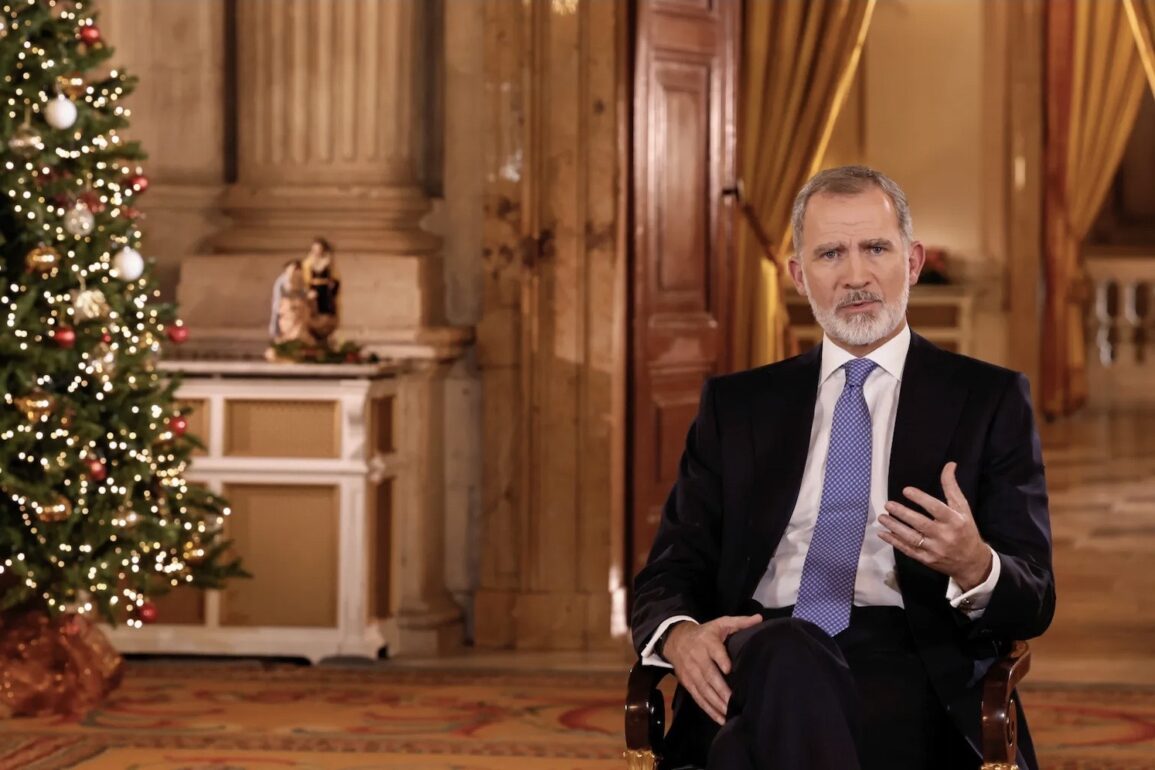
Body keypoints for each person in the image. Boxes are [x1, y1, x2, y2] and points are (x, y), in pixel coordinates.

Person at [630, 165, 1054, 770]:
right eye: (831, 254)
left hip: (912, 663)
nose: (856, 276)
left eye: (875, 248)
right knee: (786, 653)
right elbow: (669, 571)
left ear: (912, 261)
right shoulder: (739, 407)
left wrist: (974, 563)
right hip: (754, 648)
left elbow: (1035, 598)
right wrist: (680, 635)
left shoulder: (988, 400)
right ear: (800, 276)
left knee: (744, 749)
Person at [267, 259, 314, 346]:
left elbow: (301, 291)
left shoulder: (298, 279)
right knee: (285, 328)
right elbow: (289, 292)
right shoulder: (283, 279)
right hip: (286, 308)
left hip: (296, 309)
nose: (295, 270)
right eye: (293, 268)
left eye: (297, 268)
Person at [302, 237, 341, 342]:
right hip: (313, 291)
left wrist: (333, 286)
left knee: (326, 314)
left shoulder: (328, 262)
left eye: (319, 249)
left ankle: (325, 334)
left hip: (325, 292)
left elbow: (335, 278)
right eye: (314, 249)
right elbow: (305, 280)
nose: (317, 251)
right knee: (313, 313)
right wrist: (308, 291)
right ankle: (314, 336)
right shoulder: (308, 263)